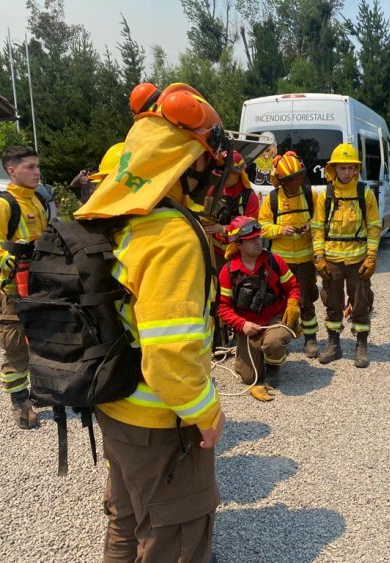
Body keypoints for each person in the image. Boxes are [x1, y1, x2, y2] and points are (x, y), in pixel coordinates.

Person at [74, 82, 226, 561]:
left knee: (125, 520)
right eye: (204, 158)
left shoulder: (112, 216)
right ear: (185, 159)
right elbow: (169, 358)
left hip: (114, 406)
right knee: (174, 537)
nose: (207, 171)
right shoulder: (172, 235)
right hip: (158, 421)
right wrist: (207, 414)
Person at [0, 145, 47, 429]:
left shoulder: (38, 200)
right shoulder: (4, 204)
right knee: (16, 346)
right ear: (11, 170)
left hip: (41, 286)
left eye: (37, 166)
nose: (36, 172)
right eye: (29, 167)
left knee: (43, 341)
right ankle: (20, 404)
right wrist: (11, 262)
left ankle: (43, 391)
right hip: (14, 291)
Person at [311, 143, 381, 368]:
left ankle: (361, 345)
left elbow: (373, 226)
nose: (347, 172)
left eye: (351, 168)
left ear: (356, 169)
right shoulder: (326, 195)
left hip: (358, 259)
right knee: (332, 303)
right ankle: (334, 344)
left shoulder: (365, 193)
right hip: (332, 260)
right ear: (334, 169)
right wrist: (319, 257)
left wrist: (371, 256)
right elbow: (317, 228)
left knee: (360, 302)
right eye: (342, 168)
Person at [217, 216, 301, 401]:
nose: (258, 241)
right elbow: (223, 308)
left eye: (259, 237)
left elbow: (293, 287)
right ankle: (252, 352)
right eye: (252, 239)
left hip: (274, 319)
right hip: (248, 326)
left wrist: (293, 303)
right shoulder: (228, 271)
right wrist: (242, 324)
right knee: (248, 378)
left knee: (275, 341)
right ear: (238, 244)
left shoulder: (274, 261)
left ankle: (274, 364)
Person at [259, 151, 320, 358]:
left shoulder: (311, 195)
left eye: (298, 178)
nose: (295, 183)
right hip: (280, 262)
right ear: (282, 181)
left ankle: (310, 339)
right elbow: (262, 226)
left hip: (305, 260)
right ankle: (282, 338)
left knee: (306, 299)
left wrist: (309, 227)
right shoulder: (273, 199)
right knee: (279, 301)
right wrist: (279, 230)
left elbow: (321, 221)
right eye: (290, 180)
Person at [202, 150, 259, 271]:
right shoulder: (213, 190)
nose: (222, 177)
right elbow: (206, 217)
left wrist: (223, 229)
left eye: (226, 173)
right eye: (220, 173)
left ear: (238, 173)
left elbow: (251, 229)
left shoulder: (249, 197)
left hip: (238, 254)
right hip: (214, 253)